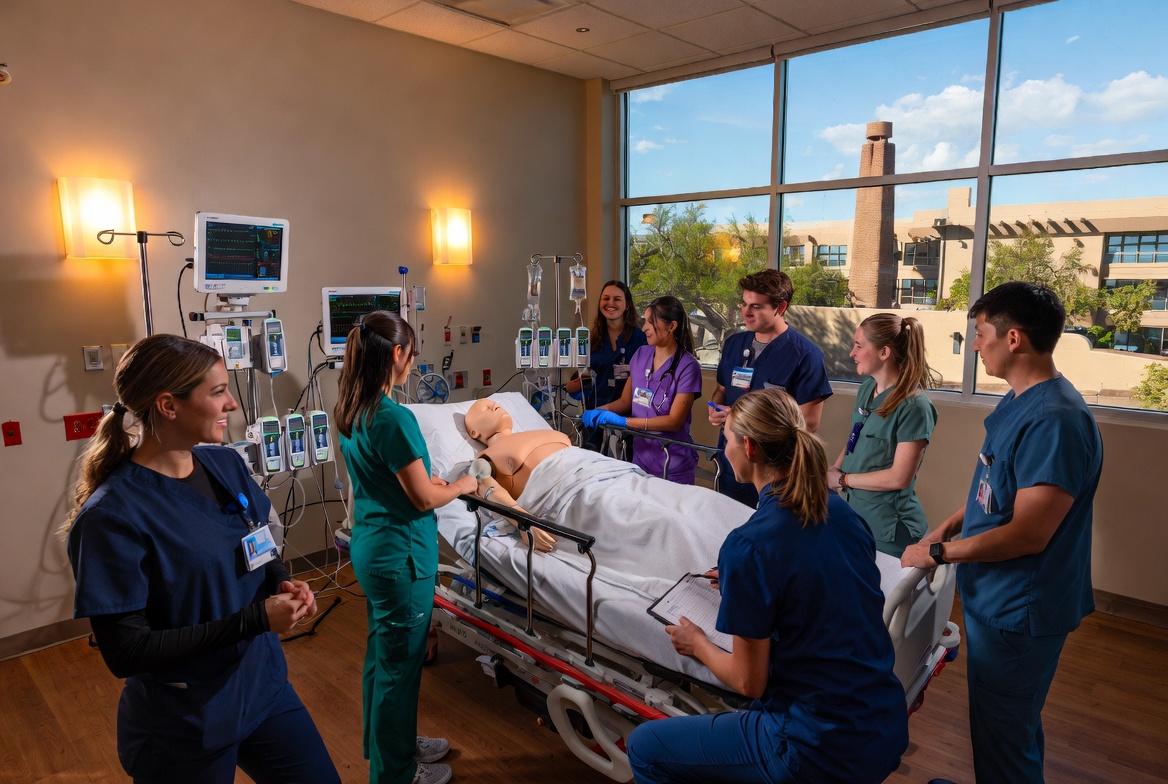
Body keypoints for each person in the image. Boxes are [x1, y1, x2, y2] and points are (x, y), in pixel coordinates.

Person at [63, 334, 340, 784]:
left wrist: (281, 581)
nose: (232, 403)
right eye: (217, 392)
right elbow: (126, 652)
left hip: (262, 687)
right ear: (169, 406)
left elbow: (260, 544)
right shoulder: (112, 517)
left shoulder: (224, 465)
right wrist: (256, 620)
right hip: (187, 718)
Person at [626, 388, 908, 784]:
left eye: (726, 441)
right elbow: (816, 583)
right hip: (881, 723)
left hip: (815, 747)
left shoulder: (749, 547)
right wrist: (748, 586)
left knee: (645, 748)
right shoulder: (843, 514)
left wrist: (697, 643)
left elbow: (748, 682)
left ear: (749, 447)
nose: (724, 451)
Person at [902, 282, 1103, 784]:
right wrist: (948, 525)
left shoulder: (1055, 420)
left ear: (1013, 339)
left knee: (1005, 736)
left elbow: (1028, 534)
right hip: (997, 598)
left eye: (980, 333)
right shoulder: (1023, 404)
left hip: (1020, 607)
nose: (974, 344)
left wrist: (941, 553)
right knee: (1003, 727)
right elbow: (994, 492)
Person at [334, 311, 478, 784]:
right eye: (412, 354)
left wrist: (425, 484)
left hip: (373, 546)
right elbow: (423, 498)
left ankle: (389, 744)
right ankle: (395, 772)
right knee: (400, 666)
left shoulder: (351, 409)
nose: (414, 364)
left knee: (383, 656)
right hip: (402, 556)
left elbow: (392, 481)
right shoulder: (394, 417)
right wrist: (461, 485)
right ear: (397, 354)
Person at [708, 269, 833, 507]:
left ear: (780, 307)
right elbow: (722, 389)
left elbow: (809, 424)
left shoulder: (805, 356)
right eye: (744, 304)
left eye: (756, 306)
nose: (746, 312)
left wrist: (741, 419)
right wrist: (715, 408)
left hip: (774, 473)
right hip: (731, 461)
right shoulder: (735, 344)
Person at [827, 313, 939, 556]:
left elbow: (899, 478)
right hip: (857, 516)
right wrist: (832, 474)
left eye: (859, 345)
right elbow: (856, 438)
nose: (851, 353)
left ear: (884, 352)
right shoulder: (868, 388)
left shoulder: (914, 407)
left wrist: (843, 480)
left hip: (889, 530)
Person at [581, 295, 702, 484]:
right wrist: (599, 412)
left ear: (672, 326)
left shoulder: (688, 366)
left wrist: (624, 422)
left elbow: (674, 422)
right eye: (644, 321)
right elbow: (624, 402)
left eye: (651, 322)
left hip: (672, 463)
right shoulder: (641, 354)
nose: (644, 327)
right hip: (641, 460)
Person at [464, 397, 570, 553]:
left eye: (497, 404)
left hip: (598, 467)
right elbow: (486, 485)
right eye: (485, 408)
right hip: (568, 489)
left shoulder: (541, 432)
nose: (495, 406)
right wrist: (523, 521)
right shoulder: (486, 457)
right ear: (474, 432)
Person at [565, 280, 648, 413]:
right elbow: (586, 376)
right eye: (606, 298)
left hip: (628, 416)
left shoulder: (639, 339)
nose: (610, 303)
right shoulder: (592, 338)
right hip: (596, 411)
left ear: (627, 305)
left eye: (617, 299)